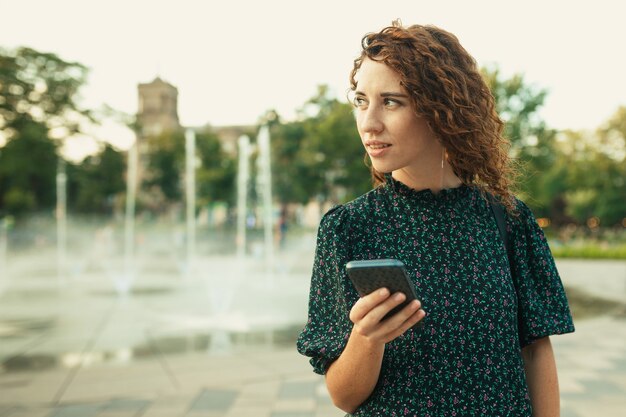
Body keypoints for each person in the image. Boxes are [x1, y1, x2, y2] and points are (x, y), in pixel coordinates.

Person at [296, 21, 574, 416]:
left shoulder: (509, 219)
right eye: (361, 100)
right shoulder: (347, 227)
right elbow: (344, 397)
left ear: (440, 109)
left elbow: (535, 352)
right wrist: (367, 338)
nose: (368, 122)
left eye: (391, 101)